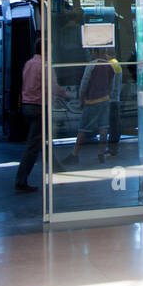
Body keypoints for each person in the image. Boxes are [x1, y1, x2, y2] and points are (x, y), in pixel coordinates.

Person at [15, 38, 71, 192]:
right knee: (33, 146)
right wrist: (67, 95)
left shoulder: (29, 63)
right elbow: (53, 87)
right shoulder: (45, 66)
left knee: (44, 143)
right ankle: (20, 181)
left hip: (27, 106)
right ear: (46, 50)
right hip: (39, 108)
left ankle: (58, 170)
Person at [63, 48, 114, 168]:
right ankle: (101, 153)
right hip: (105, 100)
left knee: (83, 128)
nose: (91, 53)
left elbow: (84, 84)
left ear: (96, 53)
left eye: (92, 51)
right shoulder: (110, 66)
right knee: (103, 127)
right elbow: (111, 84)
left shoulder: (91, 66)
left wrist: (81, 100)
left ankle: (75, 154)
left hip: (92, 101)